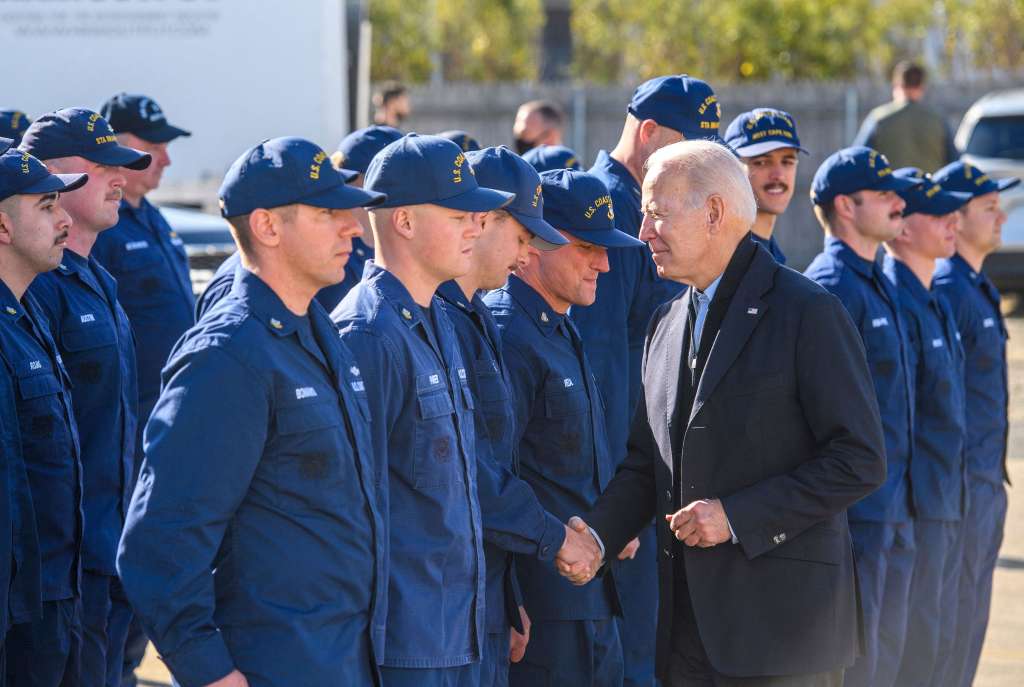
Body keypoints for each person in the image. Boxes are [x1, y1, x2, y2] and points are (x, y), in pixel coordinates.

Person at [572, 140, 886, 686]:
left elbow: (858, 459)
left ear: (713, 213)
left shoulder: (807, 312)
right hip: (687, 636)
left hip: (785, 634)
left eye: (656, 214)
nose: (644, 232)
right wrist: (596, 539)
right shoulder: (664, 324)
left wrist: (736, 517)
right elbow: (647, 465)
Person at [118, 137, 388, 687]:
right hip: (274, 664)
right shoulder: (228, 354)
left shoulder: (316, 332)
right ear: (267, 227)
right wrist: (208, 670)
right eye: (328, 213)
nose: (353, 228)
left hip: (344, 658)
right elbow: (159, 541)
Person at [331, 134, 513, 687]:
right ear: (404, 221)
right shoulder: (367, 332)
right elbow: (355, 510)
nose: (477, 228)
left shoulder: (433, 317)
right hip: (405, 646)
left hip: (456, 631)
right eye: (460, 214)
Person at [573, 73, 721, 687]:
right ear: (650, 133)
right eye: (690, 144)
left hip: (661, 485)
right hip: (625, 490)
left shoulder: (668, 205)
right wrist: (616, 509)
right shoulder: (607, 212)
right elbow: (600, 375)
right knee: (633, 660)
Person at [439, 146, 602, 687]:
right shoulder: (465, 324)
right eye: (522, 234)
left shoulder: (478, 317)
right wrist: (556, 541)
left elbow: (495, 462)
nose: (525, 249)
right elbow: (467, 476)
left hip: (494, 599)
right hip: (445, 615)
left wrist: (508, 600)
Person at [485, 168, 642, 687]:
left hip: (590, 594)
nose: (603, 263)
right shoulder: (510, 334)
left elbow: (566, 466)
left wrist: (608, 526)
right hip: (544, 609)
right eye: (585, 246)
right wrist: (512, 600)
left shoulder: (559, 325)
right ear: (534, 244)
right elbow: (491, 479)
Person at [20, 107, 152, 687]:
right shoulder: (36, 285)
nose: (118, 178)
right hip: (65, 571)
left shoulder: (95, 278)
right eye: (100, 166)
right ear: (51, 175)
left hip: (112, 551)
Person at [803, 146, 921, 687]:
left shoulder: (877, 280)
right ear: (846, 206)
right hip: (857, 516)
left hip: (894, 505)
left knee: (892, 656)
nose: (900, 202)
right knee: (862, 664)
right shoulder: (830, 287)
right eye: (884, 194)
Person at [0, 146, 88, 687]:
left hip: (55, 595)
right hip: (19, 613)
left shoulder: (26, 310)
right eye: (47, 204)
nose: (65, 219)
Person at [881, 169, 971, 687]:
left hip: (942, 501)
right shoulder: (899, 299)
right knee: (909, 650)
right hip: (913, 508)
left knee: (934, 643)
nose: (950, 222)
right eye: (937, 213)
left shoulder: (929, 294)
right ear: (903, 227)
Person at [932, 160, 1020, 687]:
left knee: (969, 629)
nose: (1001, 218)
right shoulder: (948, 288)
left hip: (985, 483)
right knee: (948, 633)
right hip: (961, 489)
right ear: (955, 218)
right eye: (988, 208)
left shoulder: (974, 284)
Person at [723, 108, 808, 265]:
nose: (778, 175)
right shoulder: (726, 254)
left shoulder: (768, 250)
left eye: (787, 162)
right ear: (732, 168)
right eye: (761, 162)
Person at [853, 61, 957, 172]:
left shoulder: (878, 118)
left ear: (896, 85)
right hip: (928, 187)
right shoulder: (938, 120)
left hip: (889, 188)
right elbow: (954, 163)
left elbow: (857, 158)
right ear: (921, 87)